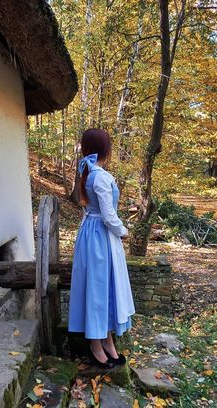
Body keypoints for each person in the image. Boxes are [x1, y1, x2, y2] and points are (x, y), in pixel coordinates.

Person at [68, 128, 135, 368]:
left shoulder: (88, 172)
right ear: (106, 150)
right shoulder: (101, 176)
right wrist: (124, 231)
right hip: (101, 237)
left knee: (101, 288)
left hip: (91, 234)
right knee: (99, 288)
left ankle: (106, 340)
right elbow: (108, 216)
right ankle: (96, 345)